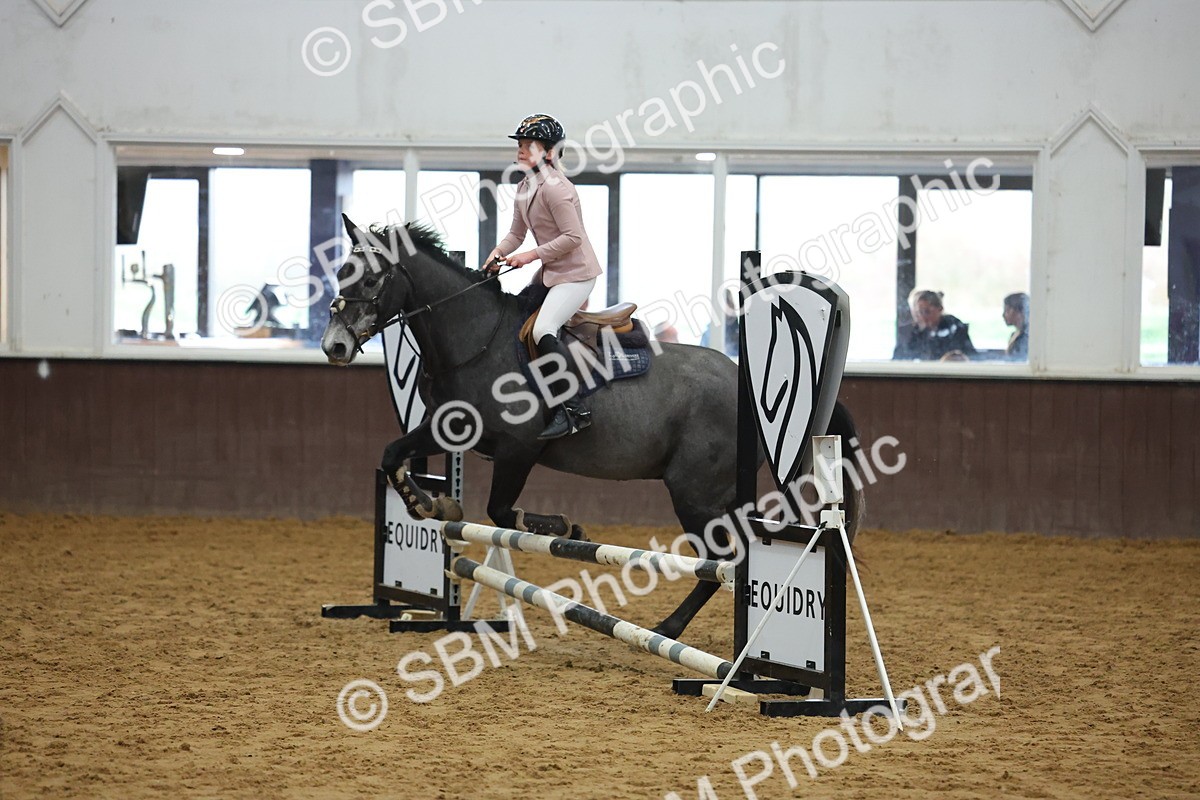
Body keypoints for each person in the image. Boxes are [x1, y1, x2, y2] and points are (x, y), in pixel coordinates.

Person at [482, 114, 603, 440]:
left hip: (577, 275)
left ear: (549, 152)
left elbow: (573, 238)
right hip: (552, 273)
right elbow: (515, 235)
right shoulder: (524, 187)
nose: (521, 150)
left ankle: (575, 408)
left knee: (543, 329)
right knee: (517, 315)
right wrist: (495, 256)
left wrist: (529, 257)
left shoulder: (557, 190)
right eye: (520, 145)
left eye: (528, 145)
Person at [893, 289, 976, 361]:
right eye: (917, 314)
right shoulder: (908, 334)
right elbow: (898, 360)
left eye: (926, 312)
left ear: (940, 309)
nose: (921, 317)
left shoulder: (955, 329)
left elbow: (971, 357)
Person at [1003, 292, 1029, 361]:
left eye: (1007, 311)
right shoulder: (1014, 335)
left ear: (1018, 313)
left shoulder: (1025, 339)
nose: (1003, 315)